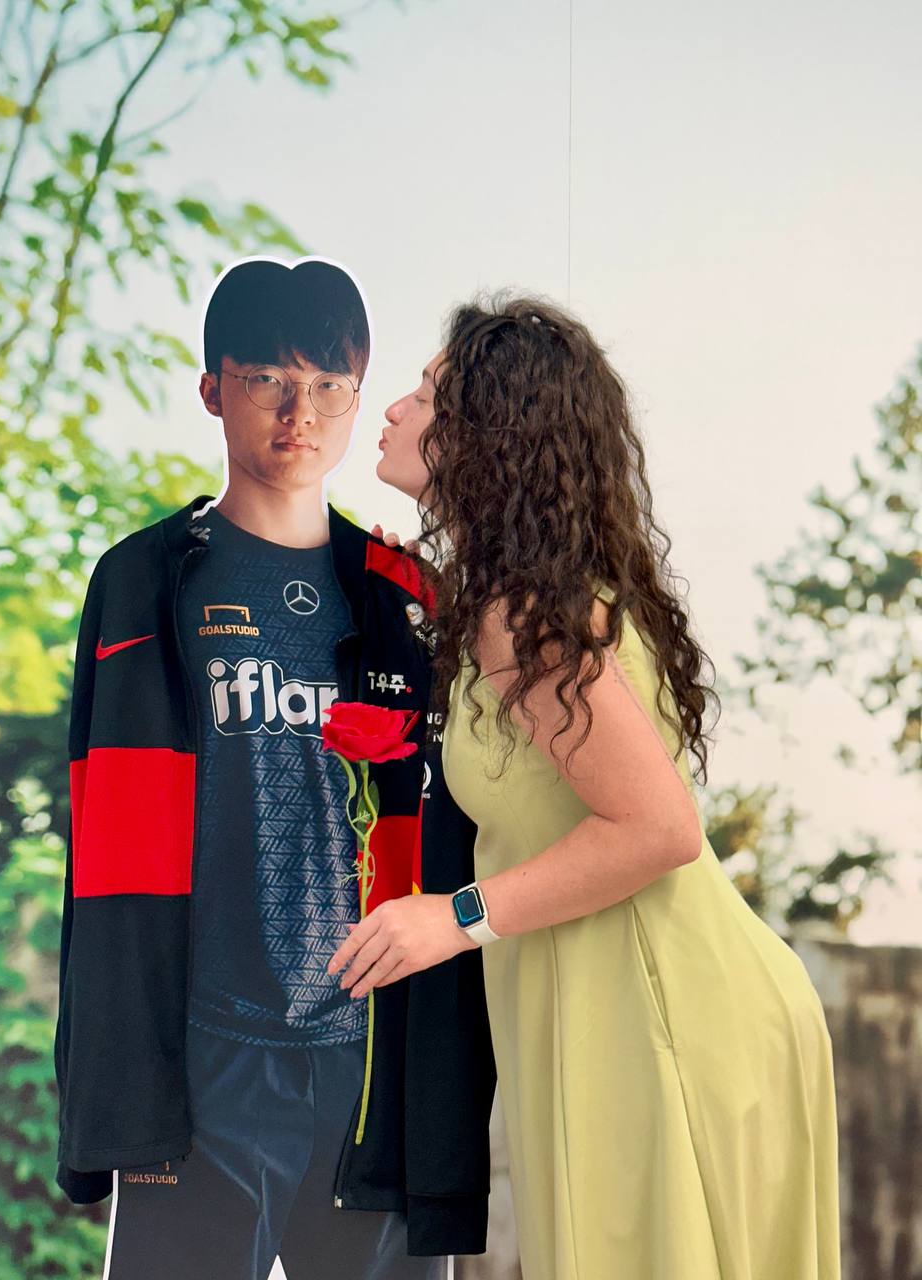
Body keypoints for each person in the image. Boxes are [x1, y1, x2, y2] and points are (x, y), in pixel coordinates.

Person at [333, 292, 842, 1279]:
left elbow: (658, 828)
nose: (392, 408)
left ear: (485, 433)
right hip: (632, 1009)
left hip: (664, 1017)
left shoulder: (523, 612)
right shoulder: (534, 597)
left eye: (426, 393)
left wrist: (453, 918)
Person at [53, 258, 496, 1280]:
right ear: (214, 388)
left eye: (331, 386)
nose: (303, 414)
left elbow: (463, 824)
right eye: (269, 381)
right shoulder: (145, 579)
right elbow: (106, 848)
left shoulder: (404, 595)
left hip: (369, 1063)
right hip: (207, 1063)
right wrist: (106, 1088)